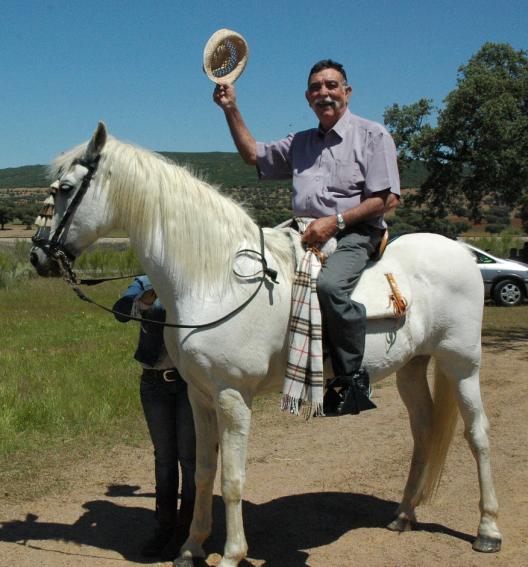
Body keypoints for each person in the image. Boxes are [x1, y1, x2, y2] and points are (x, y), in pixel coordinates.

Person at [213, 59, 400, 416]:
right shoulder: (300, 142)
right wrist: (230, 108)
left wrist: (336, 221)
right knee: (250, 265)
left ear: (347, 91)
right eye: (316, 88)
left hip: (357, 230)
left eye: (331, 86)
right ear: (307, 97)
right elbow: (253, 154)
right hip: (304, 230)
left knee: (329, 286)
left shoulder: (373, 135)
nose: (324, 93)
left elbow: (385, 199)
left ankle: (350, 378)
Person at [113, 276, 196, 558]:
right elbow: (120, 311)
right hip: (153, 383)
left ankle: (188, 529)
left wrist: (163, 299)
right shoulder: (145, 280)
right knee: (164, 457)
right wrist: (146, 298)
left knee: (189, 458)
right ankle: (165, 526)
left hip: (189, 383)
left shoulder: (190, 278)